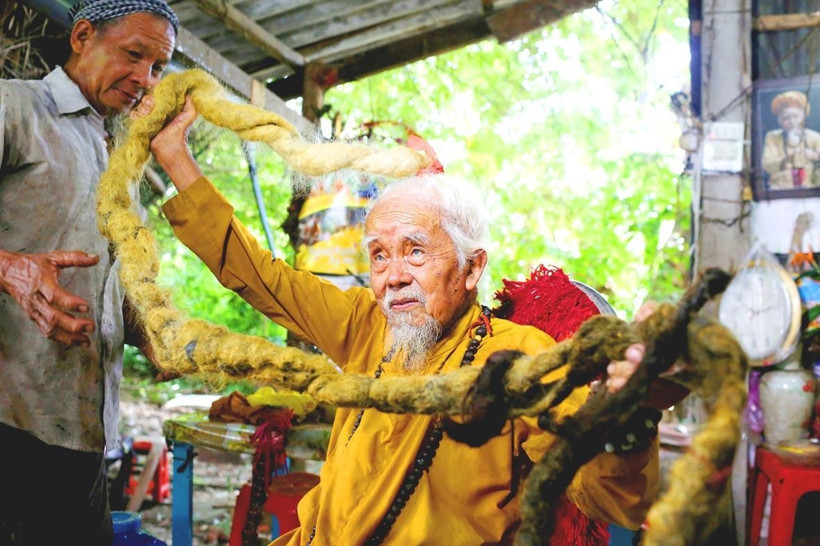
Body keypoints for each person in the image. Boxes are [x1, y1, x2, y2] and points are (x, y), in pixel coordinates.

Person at [138, 95, 685, 545]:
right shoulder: (365, 327)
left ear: (473, 269)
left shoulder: (517, 357)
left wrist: (627, 416)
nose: (392, 276)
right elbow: (260, 277)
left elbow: (609, 498)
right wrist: (173, 155)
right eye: (379, 255)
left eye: (415, 252)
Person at [0, 1, 178, 543]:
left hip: (81, 435)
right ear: (82, 36)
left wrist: (154, 336)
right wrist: (12, 270)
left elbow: (105, 278)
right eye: (134, 54)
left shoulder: (116, 157)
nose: (144, 79)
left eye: (157, 68)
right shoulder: (17, 108)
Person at [762, 90, 820, 189]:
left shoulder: (814, 137)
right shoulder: (772, 137)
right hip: (780, 190)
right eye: (786, 118)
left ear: (803, 117)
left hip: (811, 191)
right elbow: (766, 165)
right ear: (779, 120)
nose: (792, 121)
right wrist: (787, 159)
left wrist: (814, 155)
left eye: (796, 116)